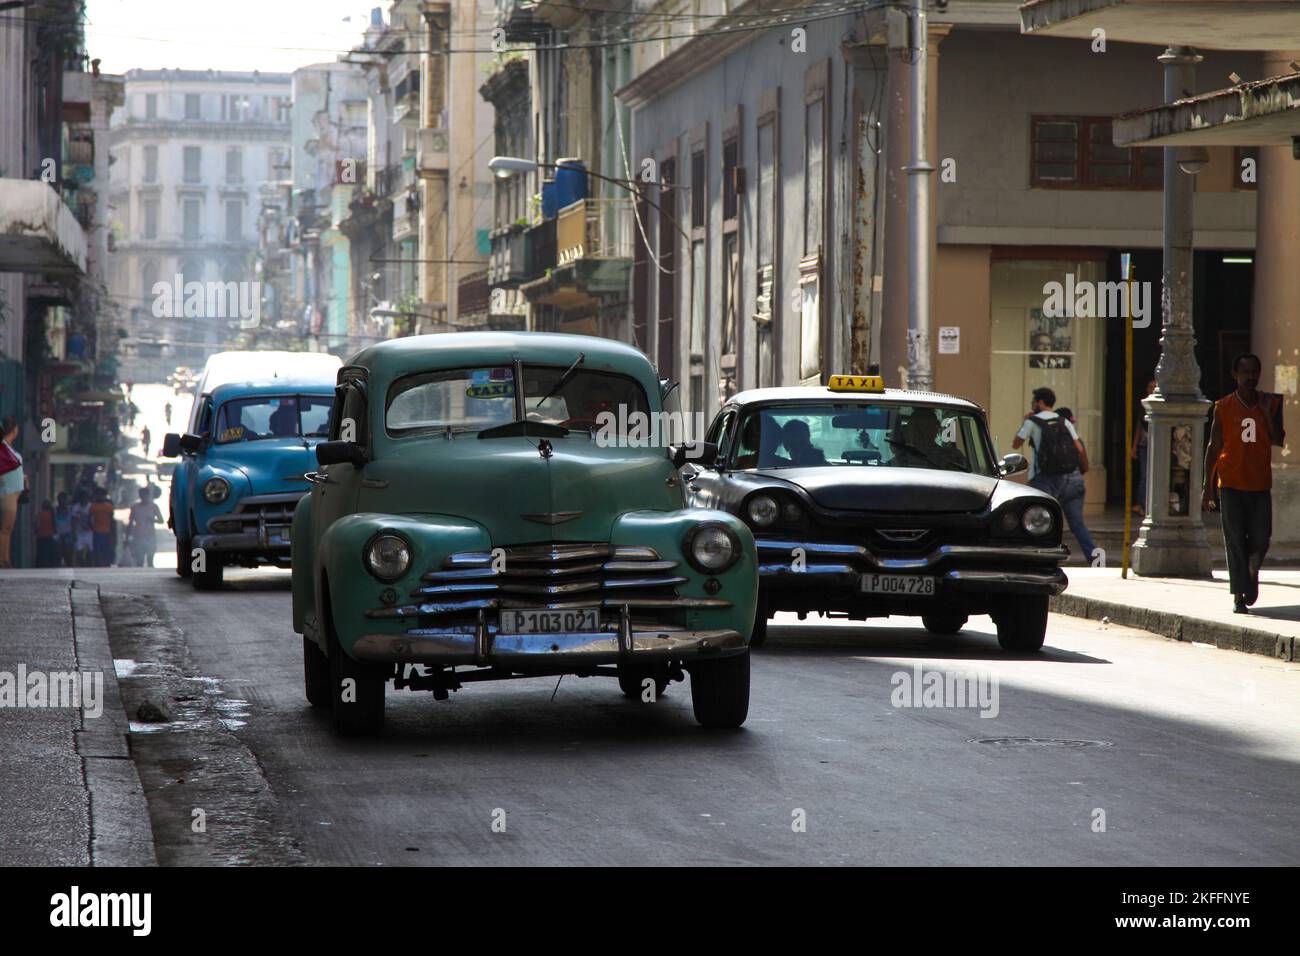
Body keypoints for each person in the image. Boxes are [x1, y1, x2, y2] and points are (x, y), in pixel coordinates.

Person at [1201, 353, 1284, 614]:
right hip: (1231, 482)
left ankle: (1252, 567)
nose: (1250, 377)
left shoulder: (1270, 403)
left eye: (1254, 372)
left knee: (1261, 537)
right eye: (1245, 372)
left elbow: (1278, 438)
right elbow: (1214, 447)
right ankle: (1238, 593)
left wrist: (1263, 411)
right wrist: (1207, 485)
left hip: (1259, 483)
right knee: (1235, 538)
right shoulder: (1223, 406)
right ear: (1235, 376)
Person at [1012, 387, 1098, 564]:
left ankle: (1039, 560)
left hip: (1045, 481)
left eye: (1034, 401)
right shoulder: (1063, 421)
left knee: (1037, 521)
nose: (1033, 405)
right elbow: (1079, 449)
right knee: (1077, 525)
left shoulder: (1032, 421)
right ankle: (1096, 559)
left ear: (1041, 402)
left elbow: (1015, 444)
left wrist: (1025, 421)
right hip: (1072, 481)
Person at [890, 410, 969, 472]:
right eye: (916, 426)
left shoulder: (953, 456)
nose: (922, 432)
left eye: (928, 426)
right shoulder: (898, 462)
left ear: (936, 429)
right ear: (908, 430)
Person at [0, 416, 25, 568]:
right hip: (6, 491)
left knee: (7, 529)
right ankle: (3, 560)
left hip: (12, 492)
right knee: (6, 528)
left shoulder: (8, 448)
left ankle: (5, 558)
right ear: (14, 430)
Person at [1130, 378, 1156, 516]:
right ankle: (1141, 503)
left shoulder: (1161, 405)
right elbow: (1139, 427)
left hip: (1157, 446)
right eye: (1150, 386)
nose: (1152, 389)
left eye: (1155, 386)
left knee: (1155, 475)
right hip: (1144, 446)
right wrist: (1134, 446)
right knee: (1144, 475)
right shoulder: (1143, 406)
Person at [126, 485, 164, 568]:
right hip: (138, 536)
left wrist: (153, 520)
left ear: (148, 495)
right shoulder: (135, 507)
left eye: (145, 495)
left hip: (150, 536)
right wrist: (127, 537)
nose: (143, 497)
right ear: (139, 495)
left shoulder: (154, 506)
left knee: (150, 560)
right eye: (141, 495)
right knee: (140, 561)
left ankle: (151, 576)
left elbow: (161, 520)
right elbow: (130, 522)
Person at [90, 487, 116, 567]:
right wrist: (92, 528)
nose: (100, 497)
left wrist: (113, 534)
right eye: (98, 495)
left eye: (102, 495)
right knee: (97, 551)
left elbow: (112, 521)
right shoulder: (93, 506)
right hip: (97, 532)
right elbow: (90, 519)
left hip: (107, 532)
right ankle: (98, 565)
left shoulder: (109, 506)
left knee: (106, 551)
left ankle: (106, 565)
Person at [35, 499, 58, 567]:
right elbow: (55, 525)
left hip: (41, 537)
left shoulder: (39, 514)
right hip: (50, 537)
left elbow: (36, 527)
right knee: (50, 554)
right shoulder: (52, 514)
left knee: (41, 554)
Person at [54, 491, 74, 566]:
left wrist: (74, 534)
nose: (62, 501)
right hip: (58, 535)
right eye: (60, 499)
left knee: (68, 555)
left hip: (68, 535)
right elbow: (53, 523)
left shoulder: (70, 510)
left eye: (64, 499)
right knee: (58, 555)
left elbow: (73, 522)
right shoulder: (55, 510)